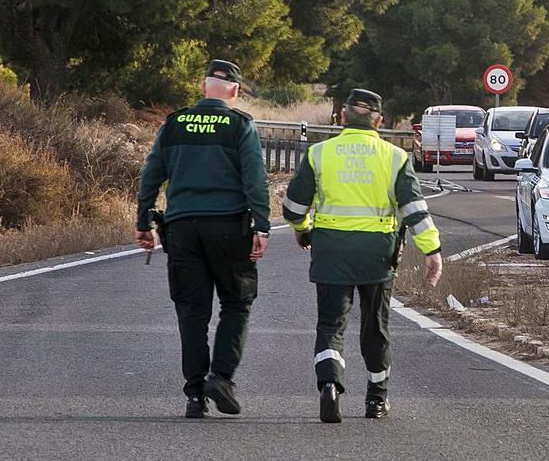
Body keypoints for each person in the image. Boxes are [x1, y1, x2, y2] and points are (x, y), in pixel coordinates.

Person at [283, 88, 444, 424]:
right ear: (379, 120)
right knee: (375, 327)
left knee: (330, 323)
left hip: (330, 251)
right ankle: (376, 399)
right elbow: (414, 209)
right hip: (377, 255)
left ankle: (329, 383)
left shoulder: (319, 154)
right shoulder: (394, 157)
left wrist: (303, 229)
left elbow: (293, 207)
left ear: (343, 117)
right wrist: (432, 250)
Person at [135, 59, 270, 419]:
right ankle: (221, 377)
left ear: (201, 87)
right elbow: (255, 178)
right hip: (228, 227)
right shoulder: (239, 125)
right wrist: (262, 225)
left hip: (181, 228)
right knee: (237, 304)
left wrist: (143, 220)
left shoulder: (175, 123)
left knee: (192, 312)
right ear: (235, 92)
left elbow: (151, 174)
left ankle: (195, 395)